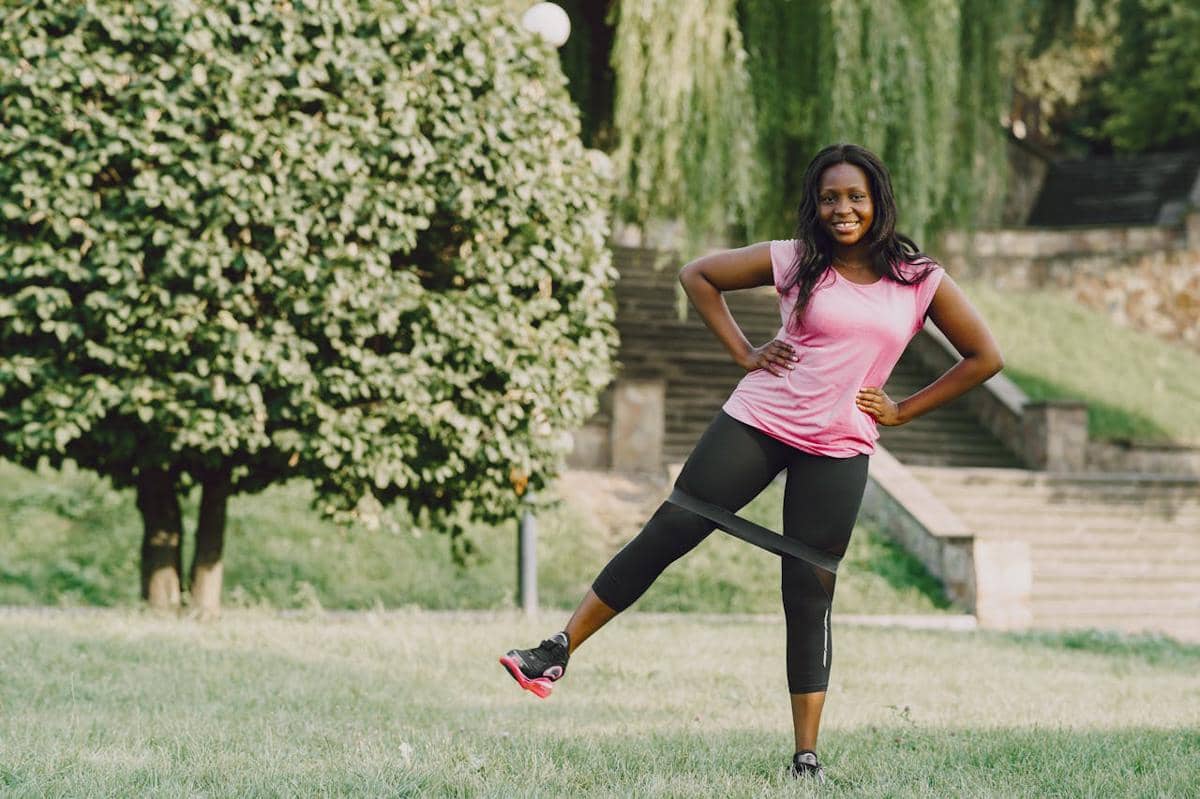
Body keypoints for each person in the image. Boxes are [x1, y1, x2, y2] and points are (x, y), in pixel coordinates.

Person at [499, 143, 1004, 782]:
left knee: (808, 590)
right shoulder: (797, 259)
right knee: (670, 531)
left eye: (855, 196)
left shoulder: (918, 277)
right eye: (829, 198)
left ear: (878, 200)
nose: (842, 209)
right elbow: (698, 275)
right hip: (760, 420)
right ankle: (556, 650)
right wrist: (743, 350)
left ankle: (806, 755)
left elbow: (985, 356)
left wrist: (904, 411)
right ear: (814, 207)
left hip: (840, 444)